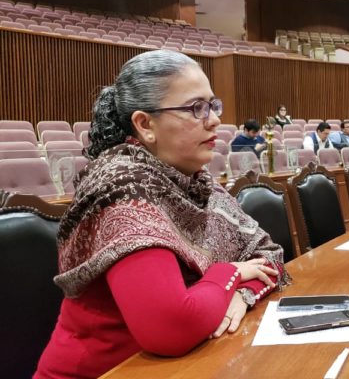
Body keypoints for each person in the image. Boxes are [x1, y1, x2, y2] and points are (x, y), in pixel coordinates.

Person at [35, 50, 289, 378]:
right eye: (196, 108)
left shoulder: (196, 183)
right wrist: (231, 273)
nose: (214, 120)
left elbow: (271, 258)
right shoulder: (123, 187)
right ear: (145, 124)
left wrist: (241, 294)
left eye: (213, 105)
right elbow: (171, 327)